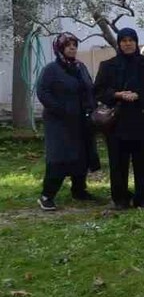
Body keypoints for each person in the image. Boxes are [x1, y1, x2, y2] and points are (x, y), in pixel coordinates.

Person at [93, 28, 144, 209]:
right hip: (117, 122)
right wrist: (117, 94)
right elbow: (99, 90)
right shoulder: (107, 66)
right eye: (123, 40)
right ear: (119, 43)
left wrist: (138, 96)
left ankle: (142, 199)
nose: (128, 43)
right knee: (118, 163)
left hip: (142, 120)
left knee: (143, 164)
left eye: (131, 40)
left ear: (137, 42)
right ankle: (120, 199)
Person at [36, 33, 100, 210]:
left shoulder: (80, 67)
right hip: (59, 122)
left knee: (81, 155)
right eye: (68, 45)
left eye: (74, 45)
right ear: (60, 48)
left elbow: (89, 88)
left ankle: (79, 190)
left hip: (81, 120)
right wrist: (60, 109)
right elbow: (42, 92)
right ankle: (47, 195)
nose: (72, 48)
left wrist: (93, 107)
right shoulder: (51, 69)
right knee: (59, 157)